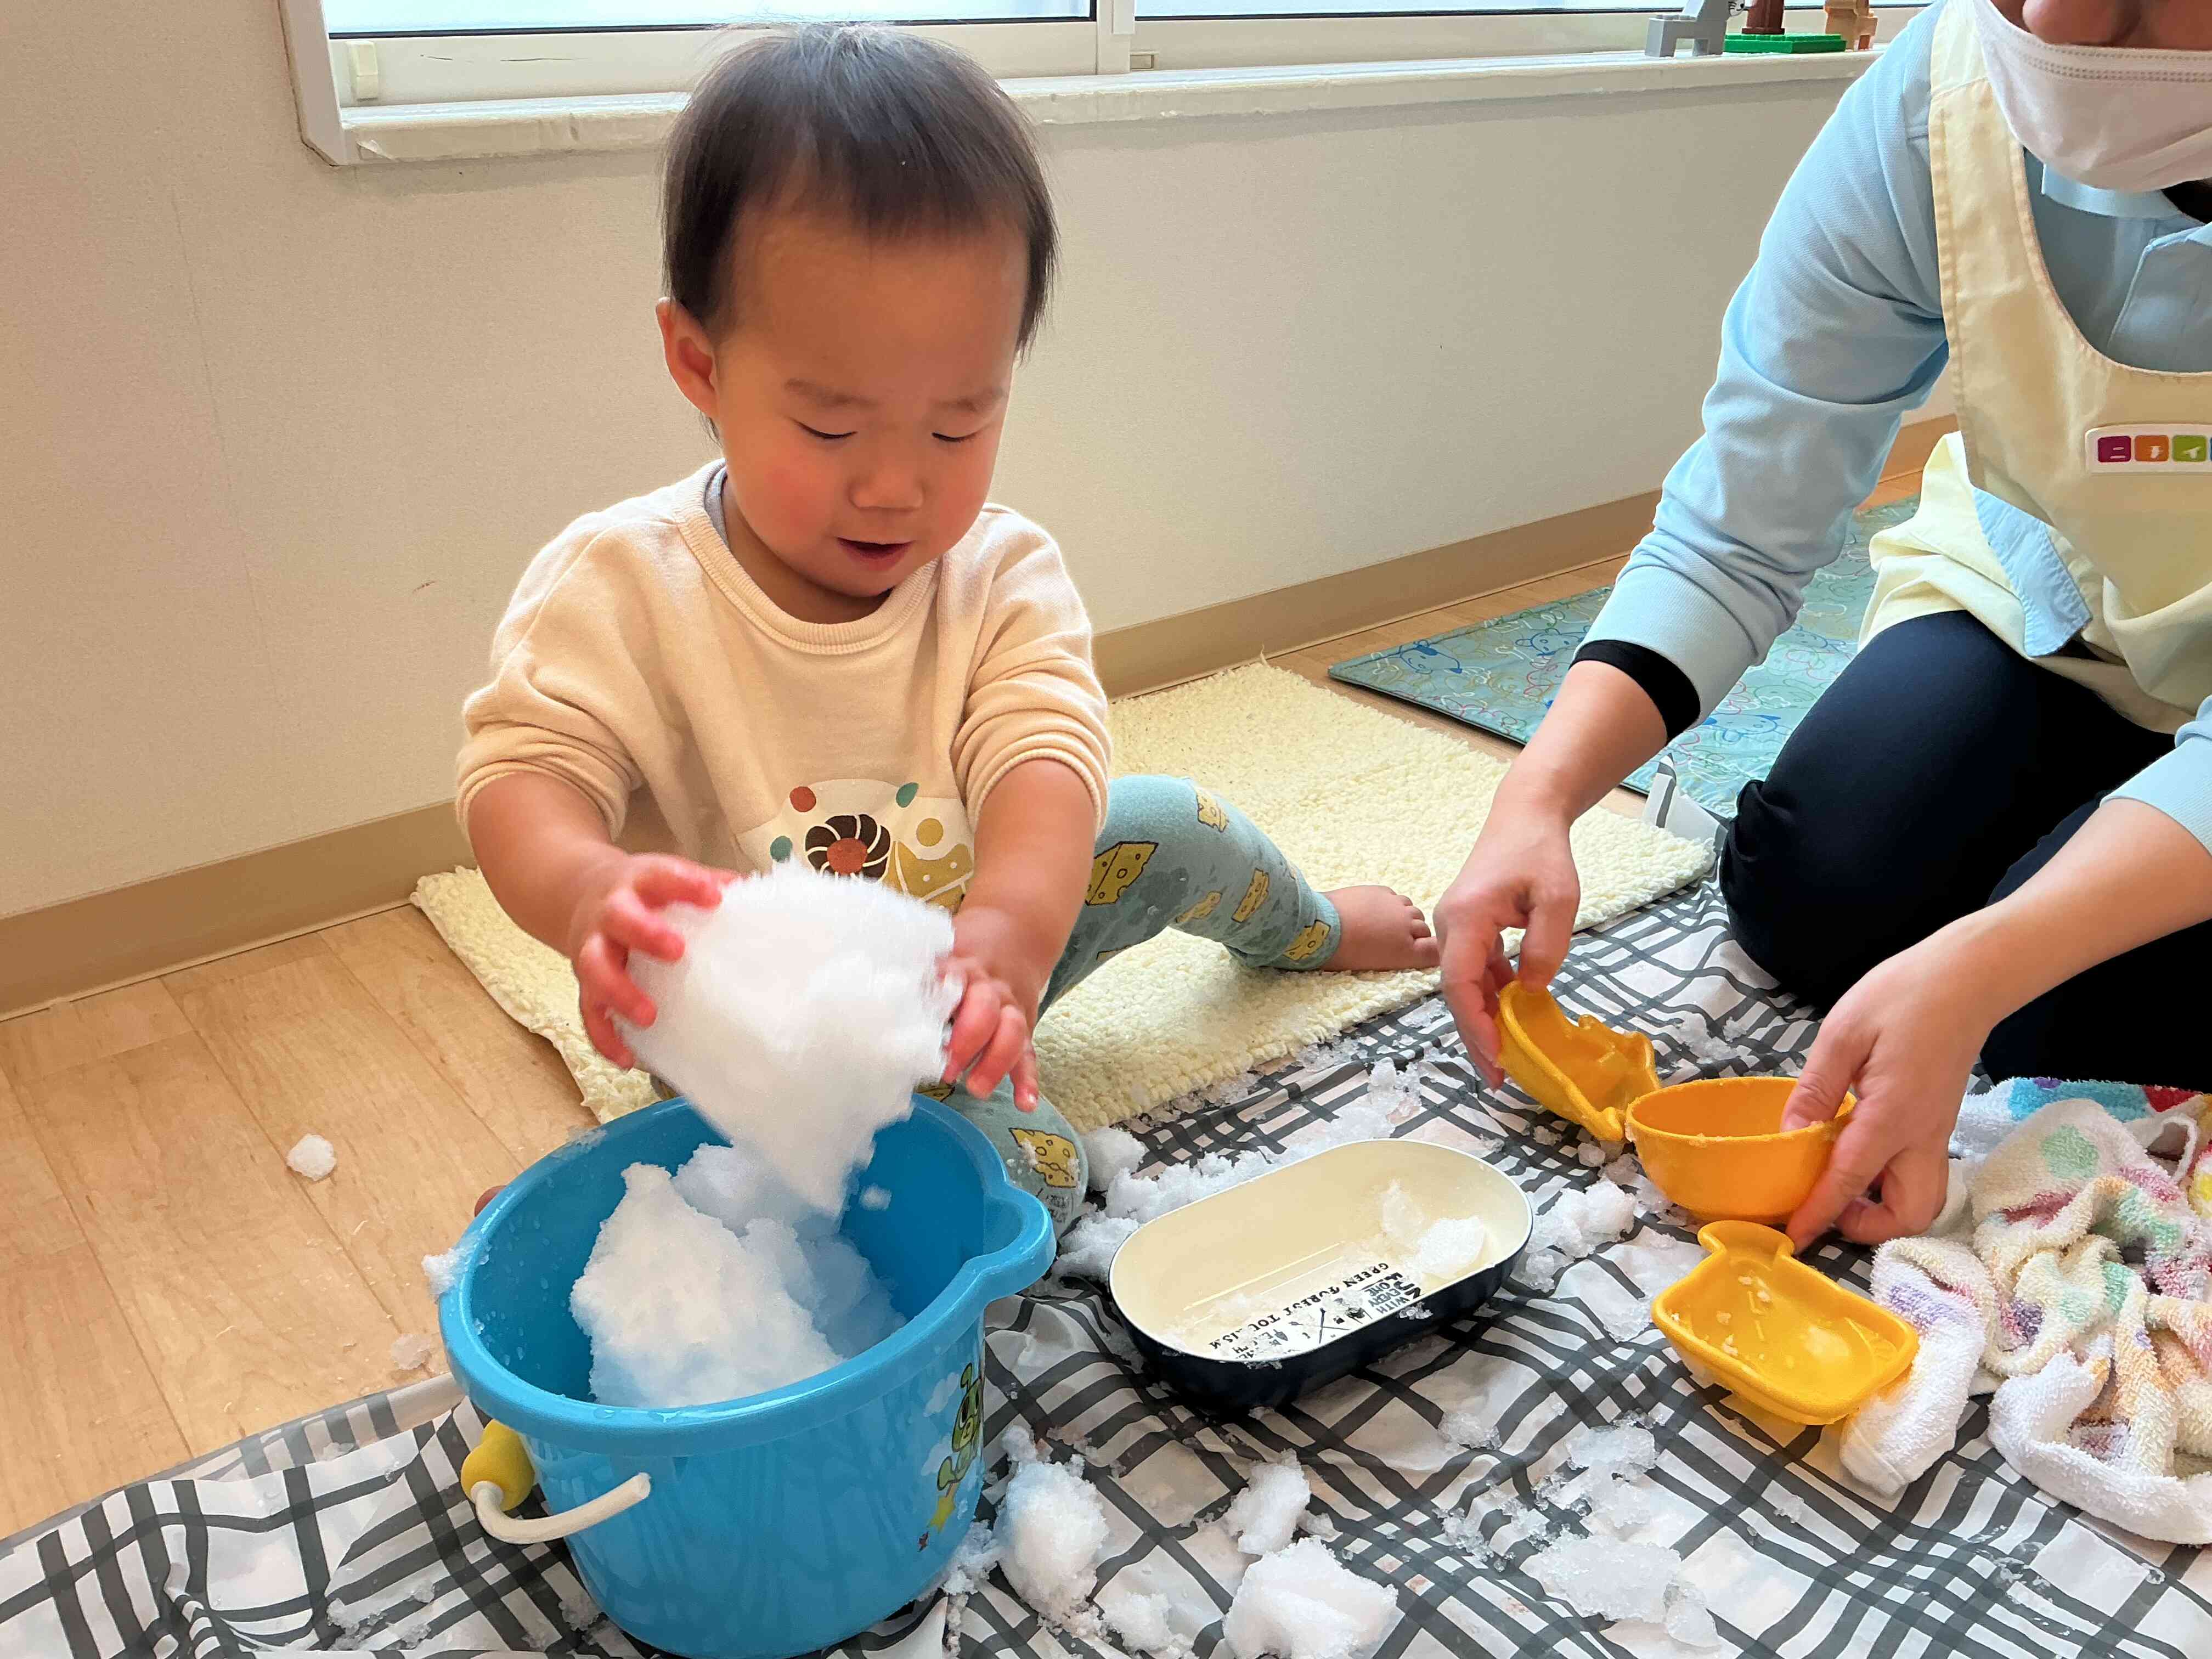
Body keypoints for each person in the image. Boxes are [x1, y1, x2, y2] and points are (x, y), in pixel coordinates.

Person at [456, 25, 1437, 1229]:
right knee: (1032, 1188)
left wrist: (1008, 938)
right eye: (831, 429)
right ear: (699, 363)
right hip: (778, 1055)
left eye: (958, 426)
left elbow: (1043, 758)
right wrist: (586, 889)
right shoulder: (624, 585)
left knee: (1176, 821)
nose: (895, 487)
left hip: (987, 962)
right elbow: (524, 773)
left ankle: (1310, 928)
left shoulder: (999, 573)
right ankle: (640, 1202)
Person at [1436, 0, 2212, 1248]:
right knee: (1812, 896)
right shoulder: (1936, 97)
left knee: (2052, 1018)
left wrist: (1996, 956)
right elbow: (1747, 505)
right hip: (2053, 597)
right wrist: (1540, 793)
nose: (2054, 21)